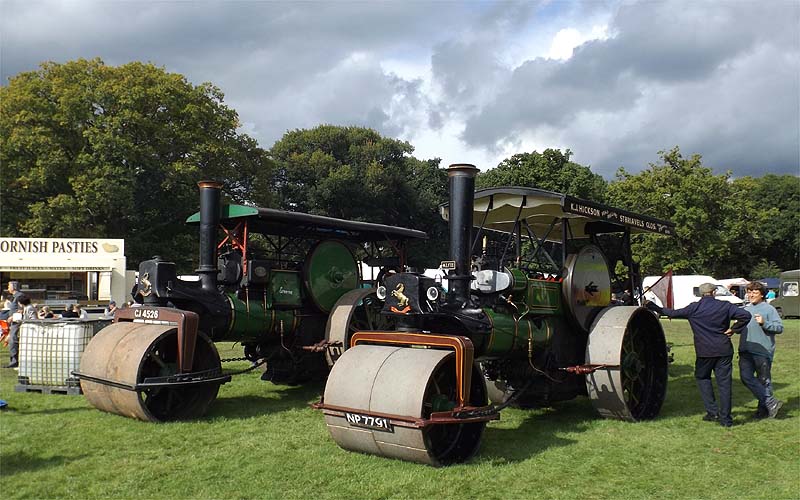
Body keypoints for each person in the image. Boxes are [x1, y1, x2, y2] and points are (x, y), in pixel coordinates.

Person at [647, 282, 751, 427]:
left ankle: (712, 412)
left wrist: (652, 306)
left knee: (702, 377)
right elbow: (746, 315)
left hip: (704, 351)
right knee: (724, 384)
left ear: (701, 293)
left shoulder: (694, 307)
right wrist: (734, 329)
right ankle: (726, 419)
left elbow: (671, 313)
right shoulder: (725, 306)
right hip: (723, 349)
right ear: (714, 292)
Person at [738, 282, 784, 419]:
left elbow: (779, 328)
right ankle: (771, 403)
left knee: (764, 381)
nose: (751, 295)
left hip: (762, 351)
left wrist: (765, 323)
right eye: (749, 292)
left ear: (762, 294)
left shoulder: (769, 309)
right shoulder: (745, 309)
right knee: (746, 378)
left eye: (755, 292)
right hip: (745, 350)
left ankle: (763, 410)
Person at [4, 281, 24, 369]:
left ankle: (14, 361)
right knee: (11, 340)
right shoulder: (15, 296)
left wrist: (12, 316)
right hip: (13, 322)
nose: (8, 288)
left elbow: (21, 309)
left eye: (9, 286)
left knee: (13, 340)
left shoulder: (19, 296)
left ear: (14, 287)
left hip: (16, 322)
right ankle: (13, 360)